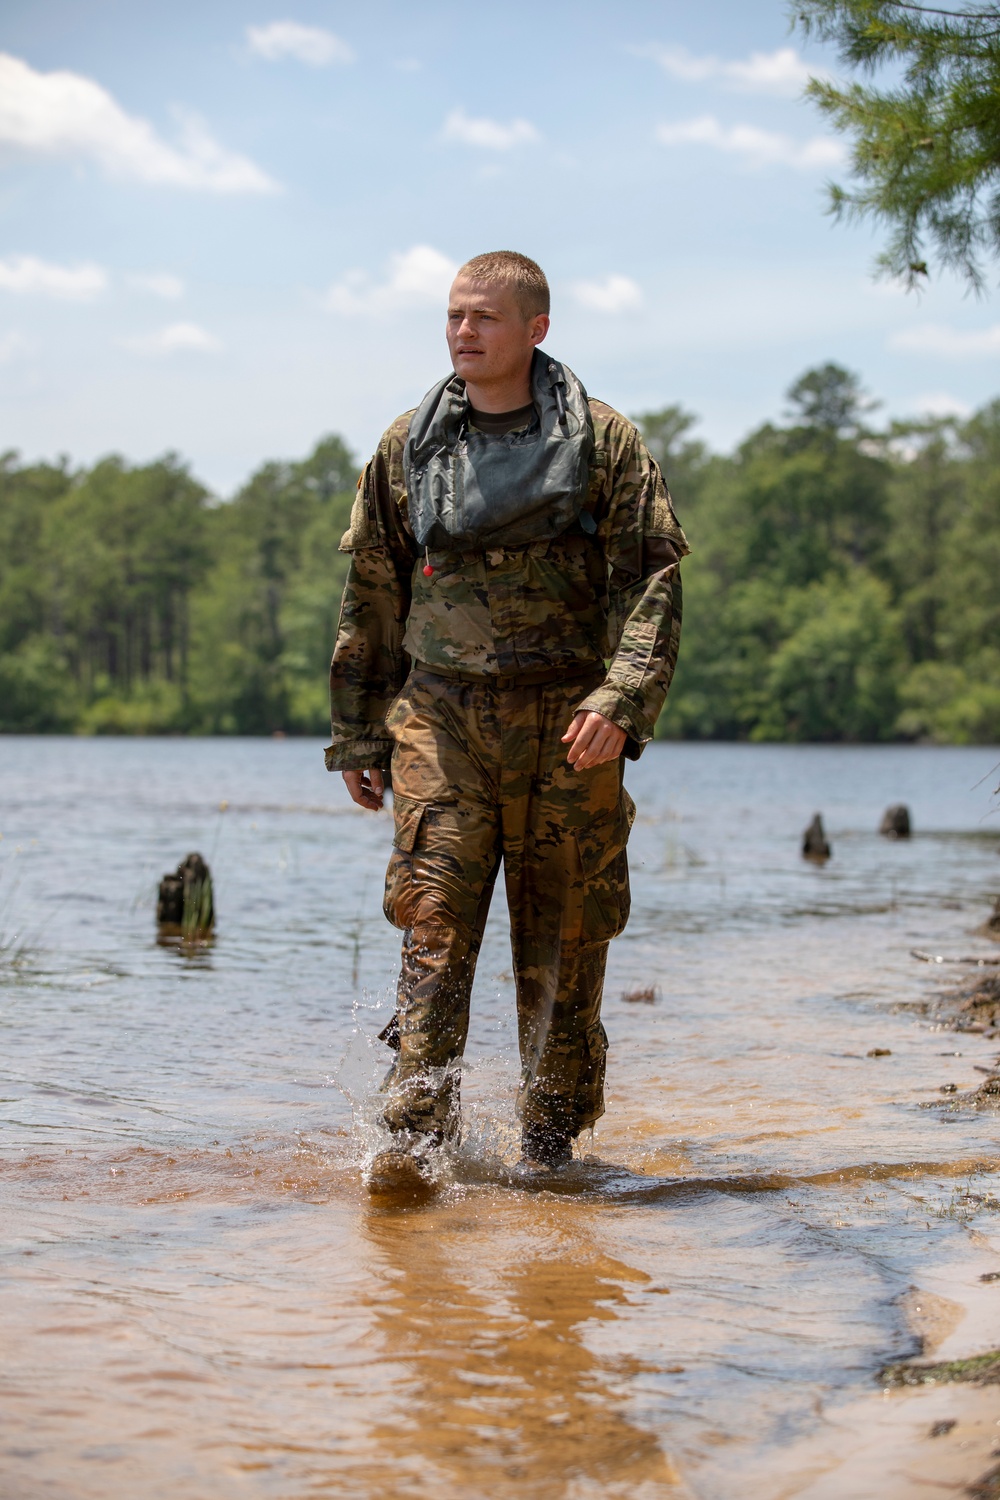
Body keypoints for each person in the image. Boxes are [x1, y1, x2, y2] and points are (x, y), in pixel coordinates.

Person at [325, 250, 688, 1172]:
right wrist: (359, 729)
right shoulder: (409, 445)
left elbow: (653, 578)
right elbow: (372, 585)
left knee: (565, 959)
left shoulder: (603, 442)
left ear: (536, 329)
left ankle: (551, 1161)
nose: (462, 332)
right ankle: (410, 1155)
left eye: (484, 317)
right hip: (441, 719)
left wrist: (621, 698)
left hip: (570, 728)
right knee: (433, 931)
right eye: (453, 316)